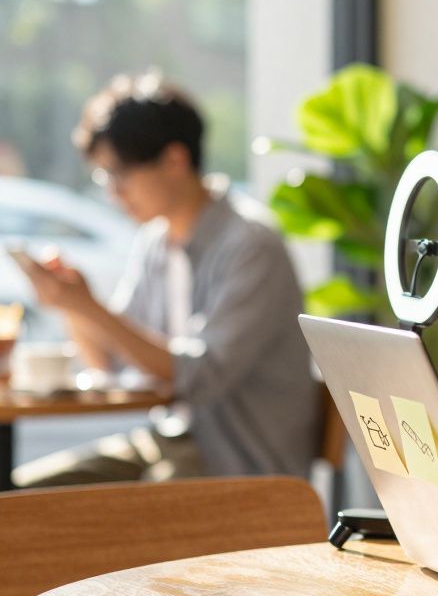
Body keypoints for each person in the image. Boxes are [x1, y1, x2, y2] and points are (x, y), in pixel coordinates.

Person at [12, 73, 318, 487]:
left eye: (119, 174)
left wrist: (89, 307)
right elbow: (111, 360)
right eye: (104, 178)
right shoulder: (156, 241)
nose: (113, 193)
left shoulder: (250, 246)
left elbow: (195, 376)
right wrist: (68, 303)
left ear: (174, 160)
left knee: (74, 518)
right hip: (169, 440)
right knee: (19, 496)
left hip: (237, 463)